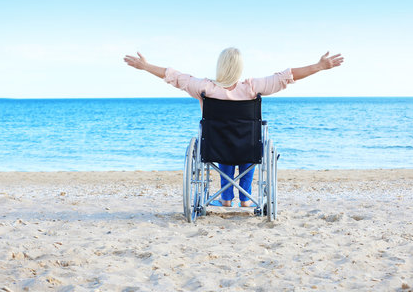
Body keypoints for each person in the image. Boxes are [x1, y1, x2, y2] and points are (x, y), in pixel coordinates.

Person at [124, 48, 344, 207]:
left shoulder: (205, 88)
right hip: (248, 146)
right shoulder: (252, 87)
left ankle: (226, 199)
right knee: (248, 145)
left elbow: (174, 77)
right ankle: (246, 199)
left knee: (222, 145)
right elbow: (286, 77)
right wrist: (319, 67)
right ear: (239, 67)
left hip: (216, 146)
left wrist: (145, 67)